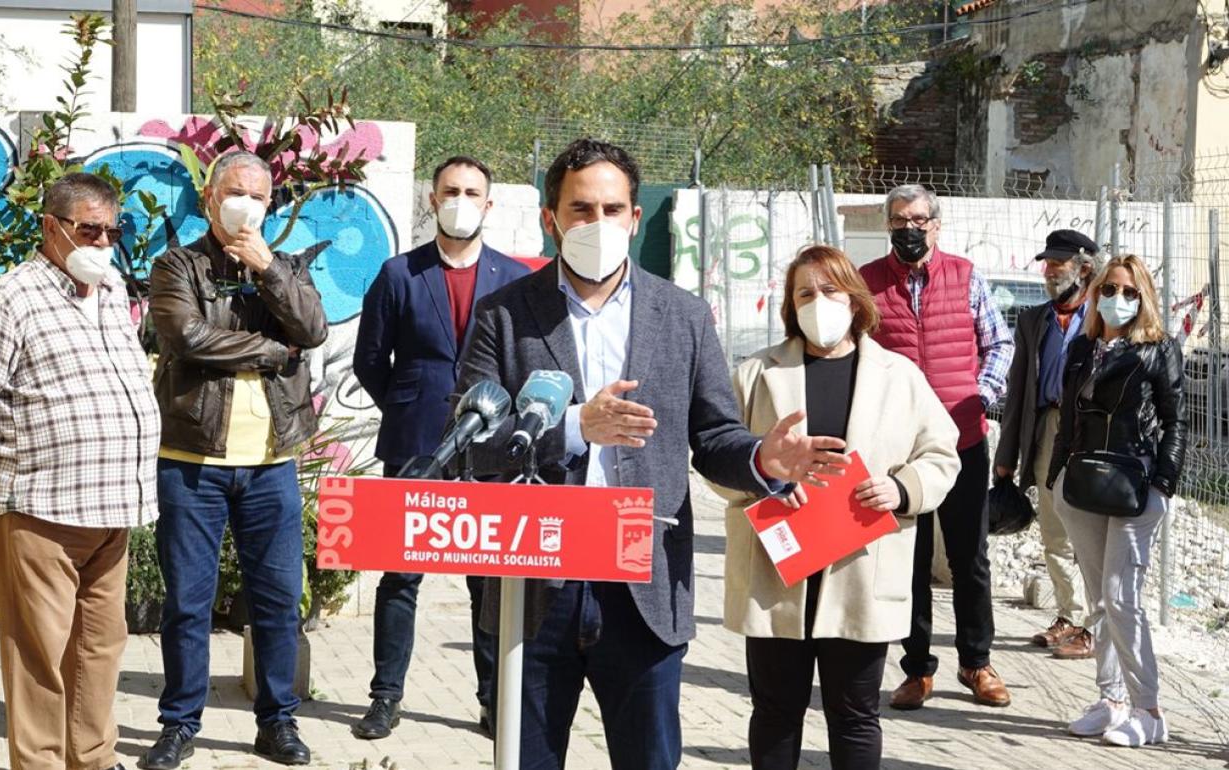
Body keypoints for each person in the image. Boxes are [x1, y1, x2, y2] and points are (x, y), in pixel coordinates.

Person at [453, 138, 850, 769]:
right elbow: (470, 446)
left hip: (643, 583)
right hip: (534, 583)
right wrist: (578, 426)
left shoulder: (683, 316)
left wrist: (763, 462)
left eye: (613, 210)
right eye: (581, 210)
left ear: (636, 219)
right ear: (550, 219)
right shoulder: (505, 316)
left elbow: (715, 436)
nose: (598, 224)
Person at [716, 244, 961, 770]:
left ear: (854, 299)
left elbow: (942, 453)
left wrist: (903, 489)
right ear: (790, 304)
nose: (818, 302)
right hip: (778, 571)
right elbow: (717, 457)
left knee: (854, 716)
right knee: (776, 712)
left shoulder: (900, 376)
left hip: (860, 568)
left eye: (829, 290)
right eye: (805, 292)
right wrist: (765, 474)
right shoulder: (757, 373)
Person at [142, 151, 329, 768]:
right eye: (233, 191)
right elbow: (186, 337)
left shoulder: (287, 266)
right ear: (209, 199)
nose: (245, 203)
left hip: (271, 464)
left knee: (276, 601)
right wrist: (277, 352)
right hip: (190, 461)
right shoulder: (177, 265)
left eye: (257, 194)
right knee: (188, 603)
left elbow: (313, 327)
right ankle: (179, 723)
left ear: (270, 205)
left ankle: (277, 723)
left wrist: (268, 268)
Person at [0, 172, 161, 770]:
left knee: (99, 650)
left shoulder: (110, 293)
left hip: (112, 509)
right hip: (39, 509)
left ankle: (93, 760)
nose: (103, 242)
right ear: (51, 227)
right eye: (90, 229)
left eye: (113, 230)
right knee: (38, 659)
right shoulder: (11, 299)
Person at [351, 155, 529, 740]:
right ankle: (385, 697)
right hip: (416, 446)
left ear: (488, 203)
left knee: (487, 580)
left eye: (472, 192)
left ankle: (492, 699)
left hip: (489, 451)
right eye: (450, 190)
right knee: (401, 576)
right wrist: (410, 406)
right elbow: (370, 360)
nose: (460, 200)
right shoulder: (399, 274)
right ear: (432, 200)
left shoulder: (515, 279)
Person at [859, 184, 1016, 710]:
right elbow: (857, 357)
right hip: (899, 451)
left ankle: (977, 662)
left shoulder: (966, 276)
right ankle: (916, 668)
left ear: (936, 224)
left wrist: (981, 396)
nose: (910, 228)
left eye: (920, 220)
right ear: (888, 226)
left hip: (962, 441)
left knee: (970, 557)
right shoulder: (869, 284)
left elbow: (999, 343)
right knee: (910, 559)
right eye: (900, 220)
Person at [1047, 254, 1186, 747]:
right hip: (1081, 485)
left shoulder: (1158, 348)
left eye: (1130, 291)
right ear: (1096, 292)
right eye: (1110, 289)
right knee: (1099, 599)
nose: (1118, 299)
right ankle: (1111, 700)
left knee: (1124, 597)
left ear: (1143, 296)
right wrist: (1055, 477)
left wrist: (1162, 485)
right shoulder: (1083, 348)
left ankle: (1148, 709)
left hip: (1136, 486)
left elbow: (1175, 421)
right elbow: (1068, 418)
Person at [996, 229, 1102, 659]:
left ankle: (1096, 625)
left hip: (1089, 433)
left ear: (1084, 269)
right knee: (1054, 530)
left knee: (1093, 534)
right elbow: (1018, 390)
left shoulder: (1103, 316)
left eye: (1058, 264)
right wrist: (1005, 457)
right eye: (1048, 263)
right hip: (1045, 429)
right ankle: (1068, 615)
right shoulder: (1033, 320)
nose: (1049, 271)